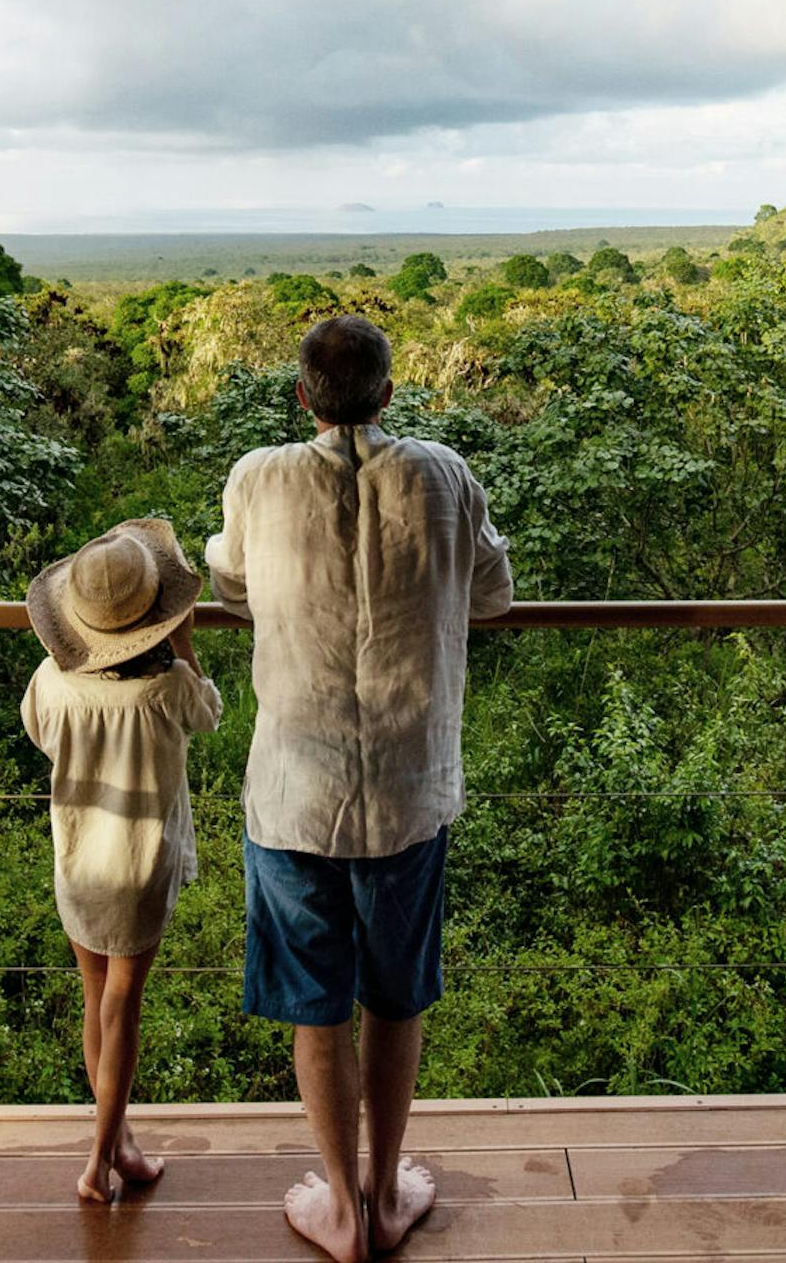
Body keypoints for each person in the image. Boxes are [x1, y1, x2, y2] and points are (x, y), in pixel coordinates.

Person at [207, 314, 513, 1262]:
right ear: (388, 394)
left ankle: (340, 1208)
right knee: (395, 1000)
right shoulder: (445, 474)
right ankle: (385, 1191)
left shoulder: (259, 477)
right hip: (411, 788)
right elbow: (495, 595)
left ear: (304, 398)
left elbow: (229, 586)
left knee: (316, 1005)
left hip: (295, 794)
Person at [21, 516, 223, 1204]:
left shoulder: (53, 681)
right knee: (123, 1008)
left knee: (95, 997)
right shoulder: (167, 691)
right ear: (158, 619)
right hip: (139, 866)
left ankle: (121, 1142)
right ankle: (100, 1160)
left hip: (78, 857)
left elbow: (40, 734)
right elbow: (212, 714)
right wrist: (189, 649)